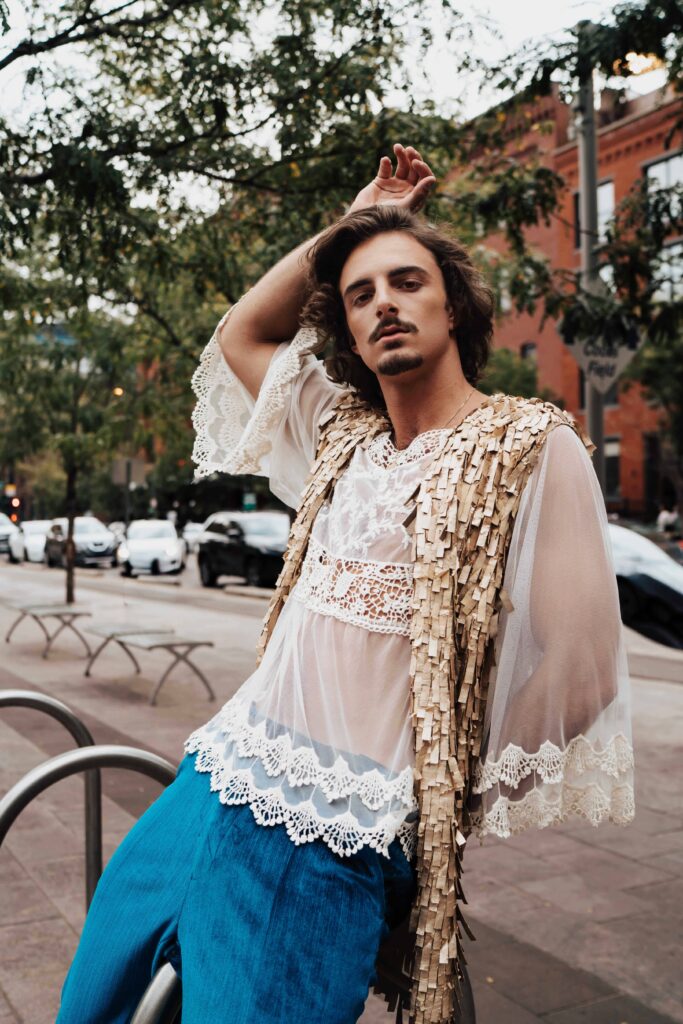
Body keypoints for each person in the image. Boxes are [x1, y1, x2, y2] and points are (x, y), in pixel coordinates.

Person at [57, 145, 634, 1024]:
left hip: (336, 830)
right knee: (95, 999)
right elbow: (242, 335)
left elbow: (583, 672)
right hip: (214, 779)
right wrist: (354, 219)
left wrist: (426, 802)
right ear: (350, 328)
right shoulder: (339, 432)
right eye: (360, 294)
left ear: (453, 304)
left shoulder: (529, 444)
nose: (383, 304)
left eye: (405, 281)